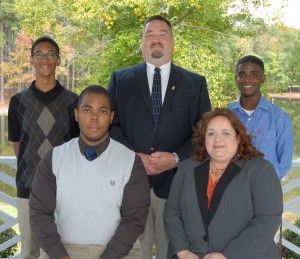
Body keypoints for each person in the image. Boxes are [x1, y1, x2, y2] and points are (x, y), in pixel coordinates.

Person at [108, 15, 211, 258]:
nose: (156, 39)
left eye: (162, 34)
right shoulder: (120, 80)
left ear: (173, 42)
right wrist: (134, 157)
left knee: (173, 253)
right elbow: (110, 126)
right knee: (132, 253)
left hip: (177, 187)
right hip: (130, 186)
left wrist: (176, 157)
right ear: (141, 43)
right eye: (149, 34)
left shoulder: (195, 83)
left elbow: (204, 132)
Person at [29, 85, 150, 259]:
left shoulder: (131, 162)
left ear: (111, 117)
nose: (94, 117)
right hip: (63, 250)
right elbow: (39, 214)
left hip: (120, 252)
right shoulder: (54, 158)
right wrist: (60, 256)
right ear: (77, 115)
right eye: (87, 110)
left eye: (102, 111)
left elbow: (134, 220)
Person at [164, 108, 283, 259]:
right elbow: (172, 212)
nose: (217, 139)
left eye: (226, 133)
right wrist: (182, 250)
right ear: (204, 138)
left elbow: (267, 220)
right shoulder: (186, 168)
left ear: (238, 138)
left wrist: (227, 256)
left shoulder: (261, 171)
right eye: (211, 133)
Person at [8, 36, 79, 259]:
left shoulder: (74, 101)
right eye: (39, 54)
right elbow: (18, 146)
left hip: (64, 191)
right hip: (28, 189)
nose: (45, 59)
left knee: (61, 252)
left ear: (58, 60)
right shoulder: (18, 102)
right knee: (29, 251)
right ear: (31, 59)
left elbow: (77, 147)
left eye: (50, 54)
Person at [228, 55, 294, 180]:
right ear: (236, 78)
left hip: (265, 190)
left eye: (253, 74)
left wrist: (268, 185)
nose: (247, 79)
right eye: (241, 74)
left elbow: (284, 161)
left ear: (262, 78)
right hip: (231, 189)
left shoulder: (280, 117)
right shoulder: (226, 115)